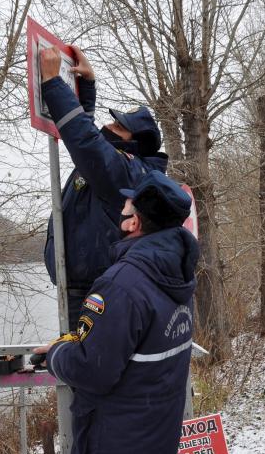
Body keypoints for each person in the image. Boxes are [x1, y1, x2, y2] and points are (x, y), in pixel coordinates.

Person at [34, 170, 199, 454]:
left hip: (116, 451)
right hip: (154, 441)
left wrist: (57, 353)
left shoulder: (122, 284)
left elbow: (91, 368)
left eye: (126, 210)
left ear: (134, 224)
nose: (120, 215)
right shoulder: (177, 277)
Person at [38, 45, 169, 326]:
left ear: (134, 143)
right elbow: (88, 135)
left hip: (95, 293)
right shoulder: (114, 165)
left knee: (90, 366)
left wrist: (53, 84)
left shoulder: (131, 173)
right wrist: (86, 84)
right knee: (86, 362)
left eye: (120, 126)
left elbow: (87, 142)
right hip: (85, 289)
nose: (110, 125)